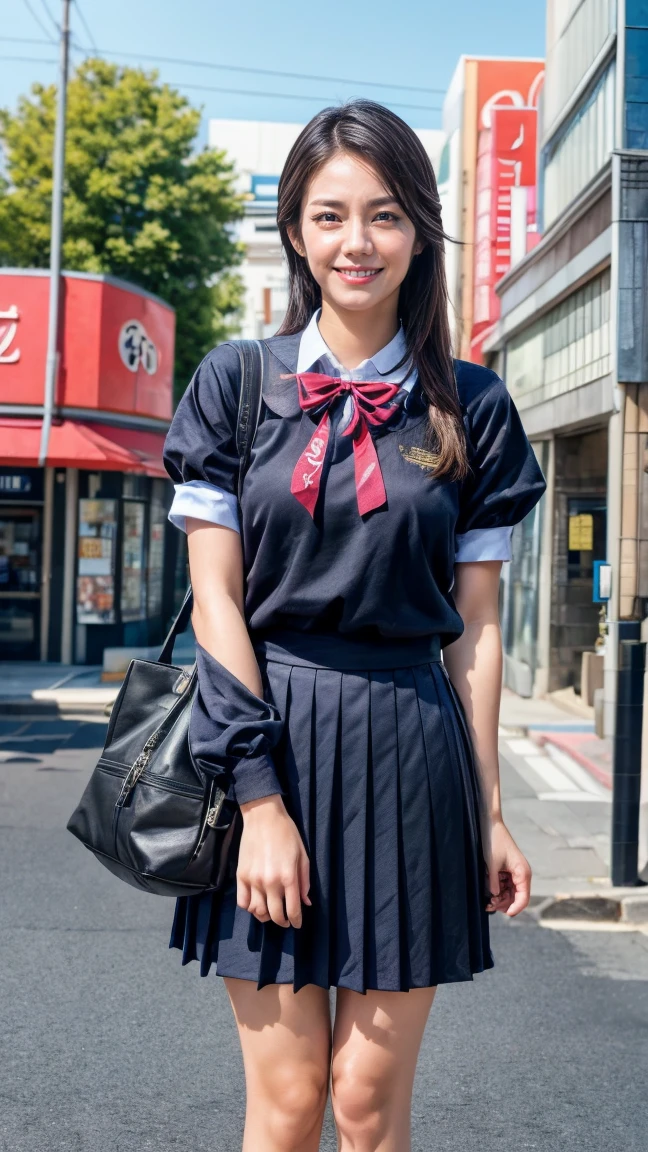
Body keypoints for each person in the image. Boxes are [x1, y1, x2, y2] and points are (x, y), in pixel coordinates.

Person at [163, 98, 547, 1152]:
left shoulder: (473, 408)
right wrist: (261, 802)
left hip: (410, 753)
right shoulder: (236, 388)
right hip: (268, 738)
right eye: (330, 216)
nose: (357, 242)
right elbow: (218, 603)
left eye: (382, 215)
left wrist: (492, 809)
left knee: (369, 1109)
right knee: (287, 1109)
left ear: (418, 228)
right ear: (296, 229)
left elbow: (474, 632)